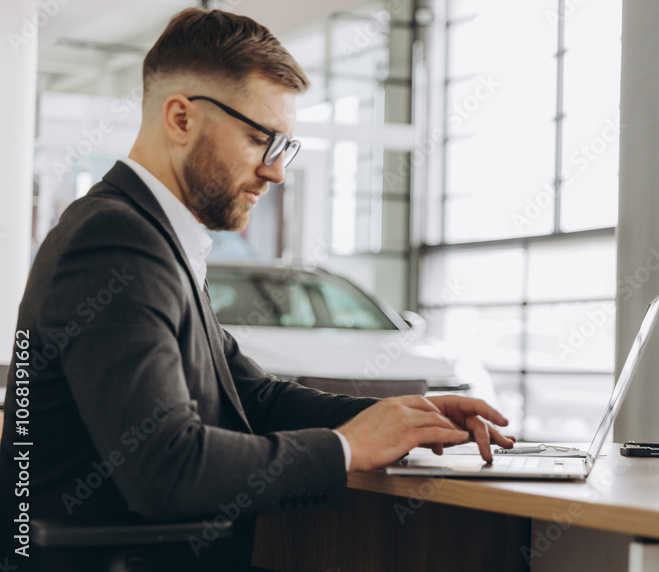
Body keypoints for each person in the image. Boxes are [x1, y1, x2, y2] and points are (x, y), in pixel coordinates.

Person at [0, 8, 513, 571]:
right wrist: (349, 448)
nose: (276, 172)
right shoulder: (114, 239)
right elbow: (165, 467)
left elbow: (254, 397)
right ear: (180, 118)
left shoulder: (153, 235)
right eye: (258, 138)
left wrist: (402, 416)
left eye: (283, 147)